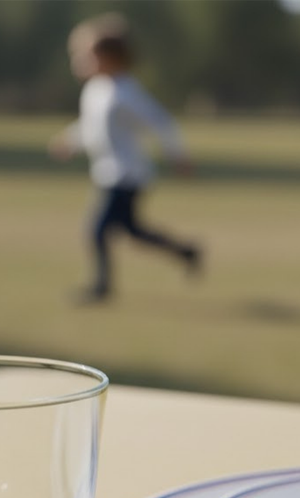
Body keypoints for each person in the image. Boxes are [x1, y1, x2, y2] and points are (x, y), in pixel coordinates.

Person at [49, 13, 201, 304]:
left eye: (87, 55)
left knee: (96, 230)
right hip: (108, 172)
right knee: (133, 231)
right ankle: (186, 252)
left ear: (110, 57)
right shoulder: (96, 90)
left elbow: (162, 123)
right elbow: (89, 126)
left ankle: (101, 287)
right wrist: (70, 141)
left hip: (128, 174)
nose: (79, 61)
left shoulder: (126, 92)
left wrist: (178, 155)